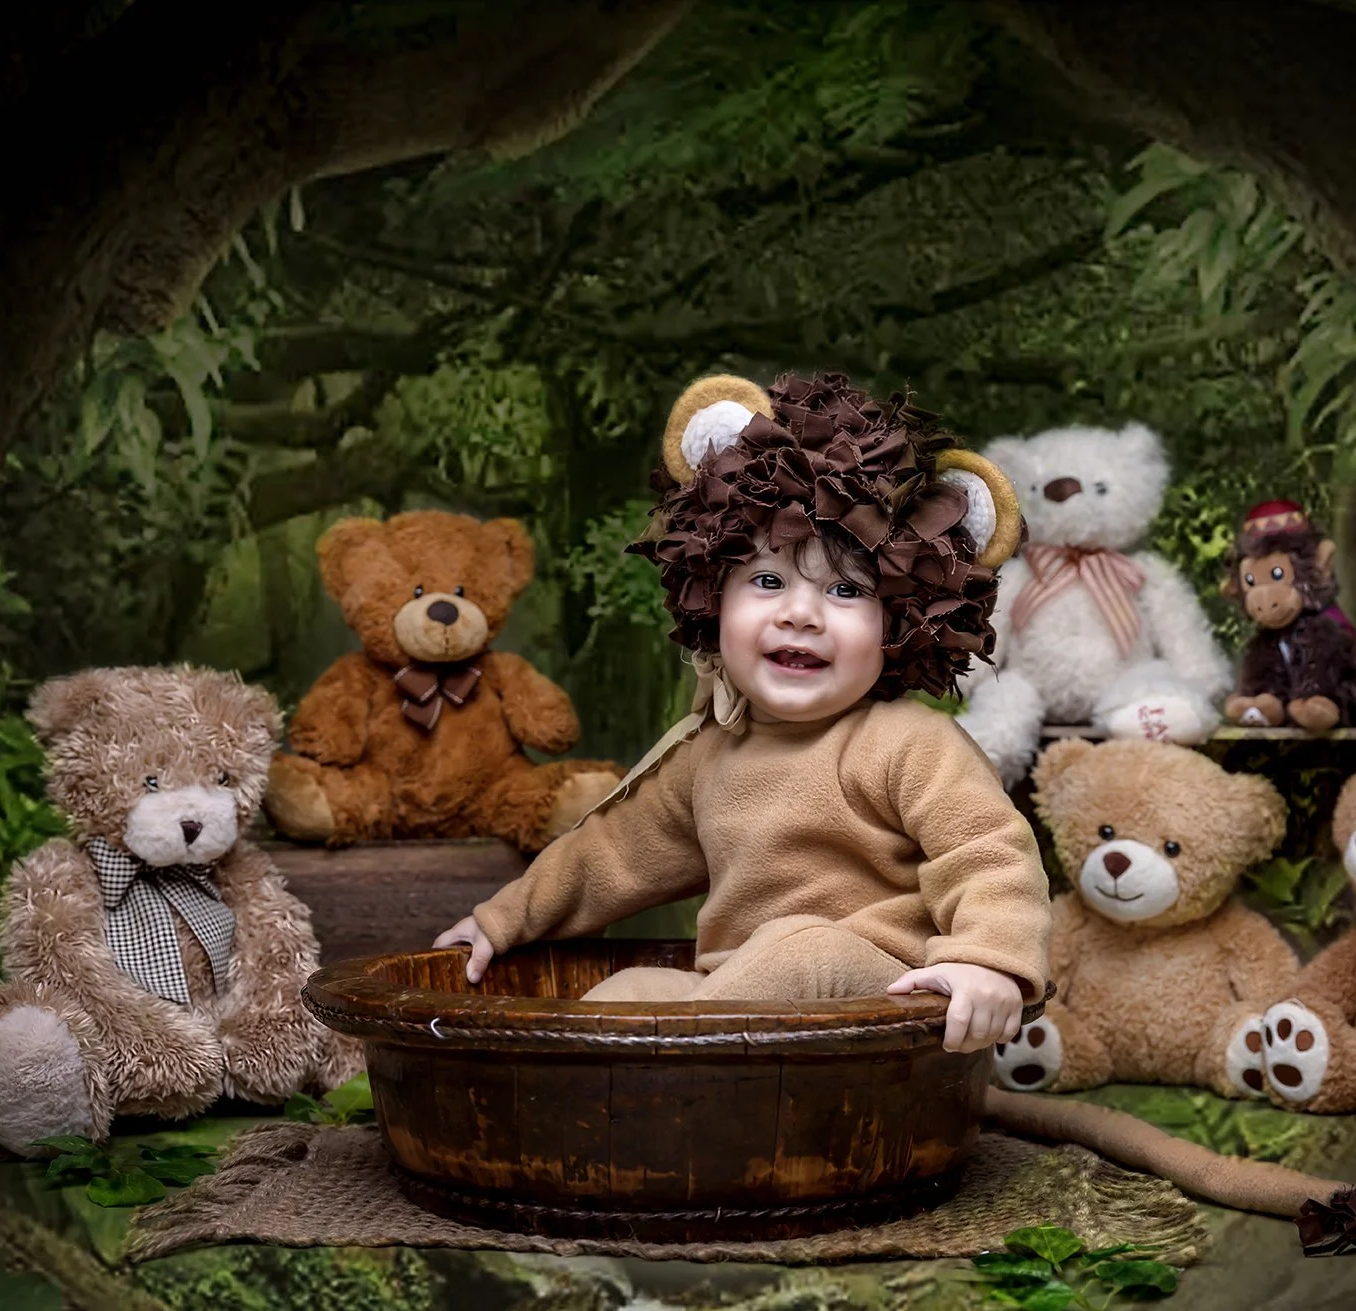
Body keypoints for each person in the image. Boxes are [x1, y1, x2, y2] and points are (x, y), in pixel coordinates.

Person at [434, 372, 1049, 1053]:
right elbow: (609, 854)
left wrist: (985, 960)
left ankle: (673, 1073)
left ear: (900, 622)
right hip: (738, 1007)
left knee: (803, 948)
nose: (799, 613)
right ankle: (599, 1112)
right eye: (767, 579)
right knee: (629, 994)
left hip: (884, 1010)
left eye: (845, 589)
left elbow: (989, 851)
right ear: (712, 596)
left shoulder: (908, 743)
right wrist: (500, 921)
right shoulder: (711, 751)